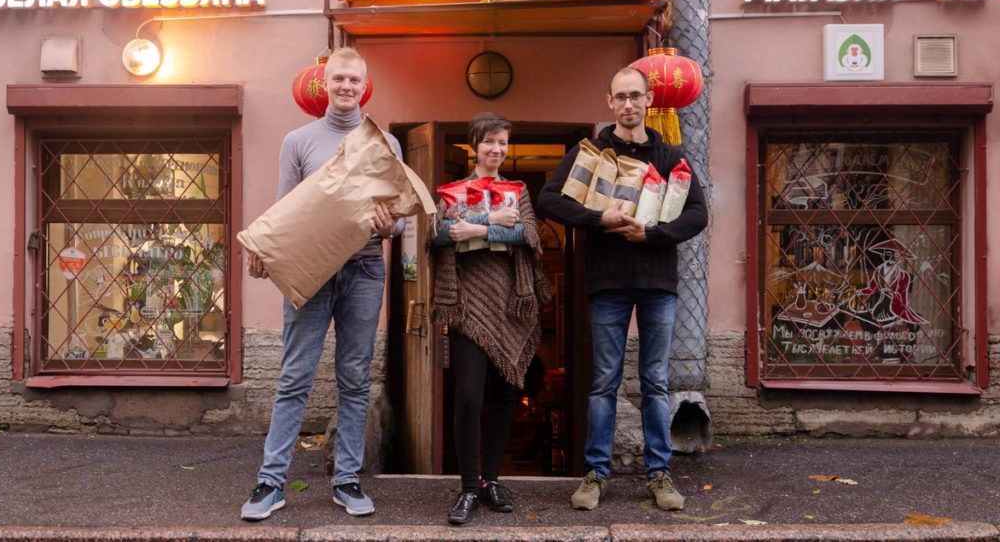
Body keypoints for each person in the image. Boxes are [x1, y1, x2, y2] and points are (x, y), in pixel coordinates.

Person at [240, 47, 404, 521]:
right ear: (324, 84)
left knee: (354, 378)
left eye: (354, 80)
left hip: (365, 268)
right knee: (294, 377)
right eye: (339, 79)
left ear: (365, 87)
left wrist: (389, 226)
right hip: (311, 271)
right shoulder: (298, 141)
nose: (346, 86)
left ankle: (347, 479)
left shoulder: (385, 143)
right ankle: (271, 483)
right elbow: (284, 210)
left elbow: (396, 218)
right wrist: (263, 250)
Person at [537, 66, 708, 512]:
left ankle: (660, 474)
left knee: (655, 383)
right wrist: (599, 219)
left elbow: (697, 214)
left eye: (635, 95)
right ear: (609, 102)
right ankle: (596, 474)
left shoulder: (669, 155)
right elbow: (549, 199)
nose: (628, 104)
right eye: (620, 97)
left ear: (649, 100)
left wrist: (651, 234)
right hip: (608, 282)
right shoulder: (592, 152)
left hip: (657, 282)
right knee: (603, 384)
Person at [428, 112, 551, 525]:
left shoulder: (518, 190)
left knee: (505, 396)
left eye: (502, 143)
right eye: (489, 142)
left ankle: (491, 481)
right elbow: (437, 233)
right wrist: (488, 219)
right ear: (474, 146)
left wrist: (480, 228)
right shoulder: (454, 191)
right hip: (468, 306)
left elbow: (529, 233)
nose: (496, 149)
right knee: (467, 396)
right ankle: (468, 488)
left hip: (512, 305)